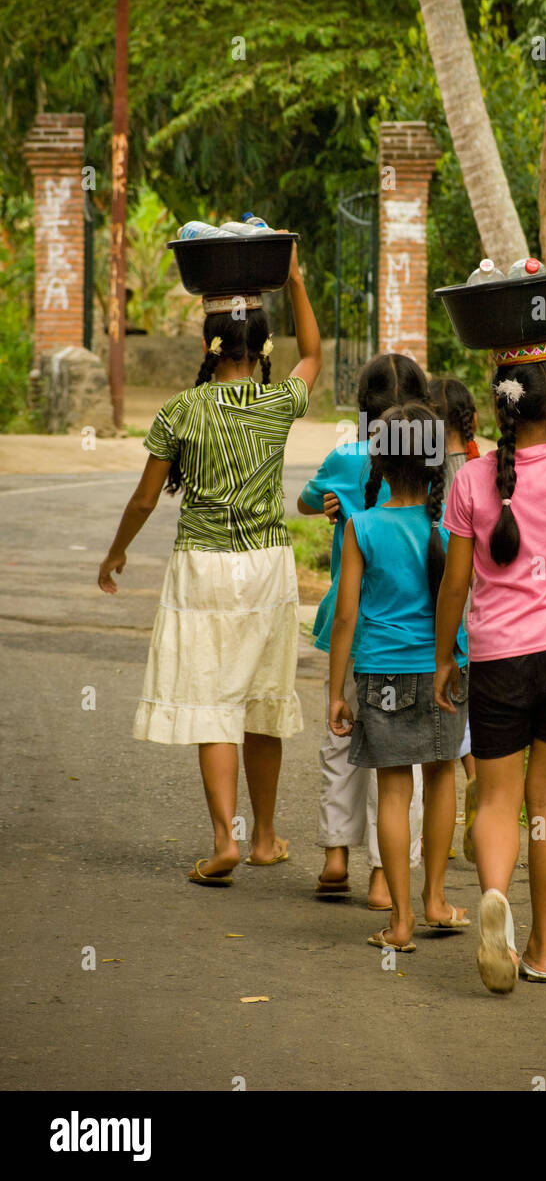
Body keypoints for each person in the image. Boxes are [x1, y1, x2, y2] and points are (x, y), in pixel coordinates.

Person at [98, 243, 321, 886]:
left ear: (209, 343)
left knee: (213, 701)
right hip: (267, 566)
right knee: (262, 700)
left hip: (202, 566)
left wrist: (117, 553)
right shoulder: (280, 403)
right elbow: (313, 356)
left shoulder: (180, 411)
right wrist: (296, 280)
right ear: (261, 345)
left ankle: (225, 838)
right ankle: (267, 838)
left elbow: (145, 497)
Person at [434, 255, 546, 992]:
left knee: (499, 799)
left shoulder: (473, 480)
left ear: (500, 405)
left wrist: (447, 656)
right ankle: (540, 948)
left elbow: (454, 584)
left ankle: (494, 897)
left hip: (502, 658)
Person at [329, 403, 470, 952]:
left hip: (380, 671)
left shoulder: (361, 526)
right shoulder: (448, 528)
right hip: (442, 670)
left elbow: (346, 617)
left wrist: (337, 691)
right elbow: (460, 598)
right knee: (440, 781)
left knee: (393, 788)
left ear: (380, 463)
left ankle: (402, 920)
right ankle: (437, 899)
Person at [298, 354, 428, 907]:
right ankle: (385, 877)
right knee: (400, 760)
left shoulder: (346, 456)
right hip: (411, 640)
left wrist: (332, 501)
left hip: (349, 636)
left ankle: (335, 856)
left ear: (362, 409)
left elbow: (306, 500)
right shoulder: (429, 465)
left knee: (342, 740)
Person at [428, 375, 479, 856]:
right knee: (472, 694)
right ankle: (480, 775)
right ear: (474, 421)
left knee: (449, 695)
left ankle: (466, 776)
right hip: (485, 603)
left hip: (443, 594)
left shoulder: (423, 468)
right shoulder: (487, 464)